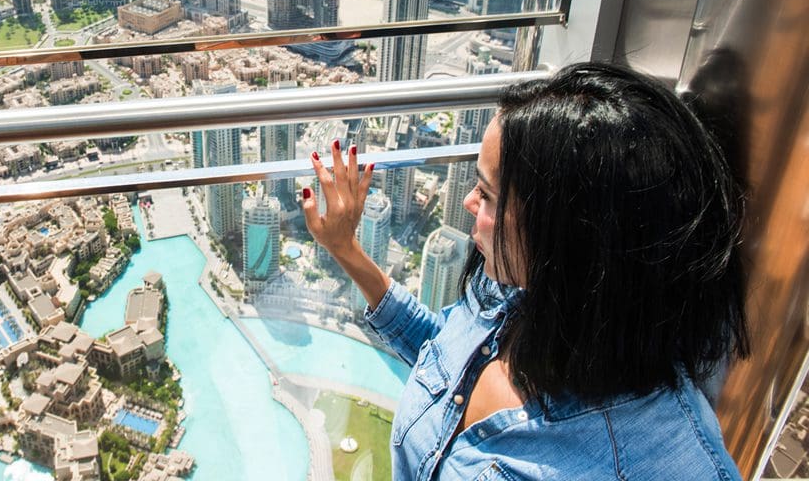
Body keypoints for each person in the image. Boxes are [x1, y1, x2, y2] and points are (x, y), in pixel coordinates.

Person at [302, 62, 748, 480]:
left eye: (487, 194)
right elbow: (441, 353)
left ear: (568, 231)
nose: (468, 201)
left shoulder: (662, 458)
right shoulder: (505, 295)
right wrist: (346, 250)